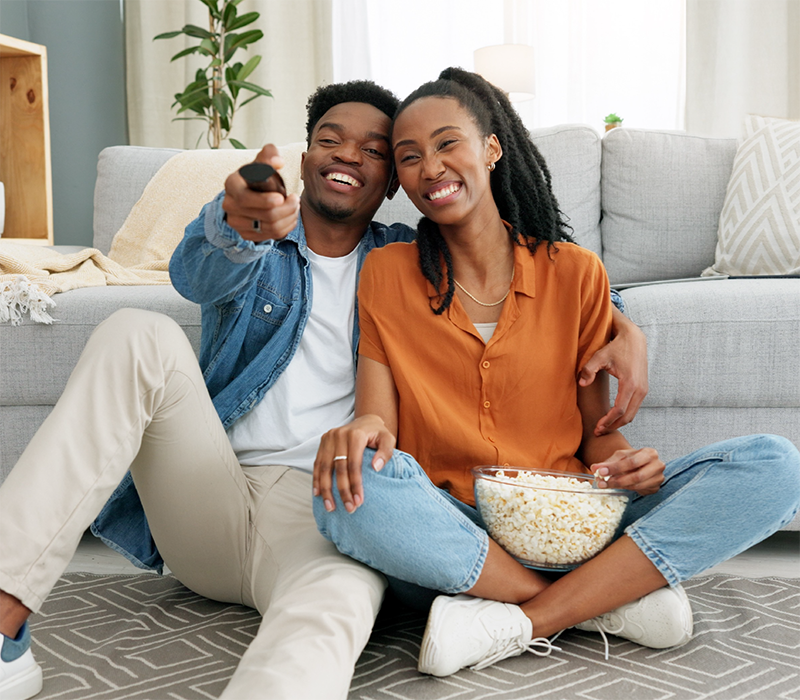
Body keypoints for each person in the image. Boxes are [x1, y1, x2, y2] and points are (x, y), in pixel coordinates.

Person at [0, 79, 647, 700]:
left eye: (374, 151)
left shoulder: (404, 261)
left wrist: (621, 321)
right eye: (332, 140)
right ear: (307, 154)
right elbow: (195, 271)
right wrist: (236, 221)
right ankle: (3, 615)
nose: (350, 156)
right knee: (137, 333)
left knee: (332, 614)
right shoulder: (260, 243)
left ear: (393, 180)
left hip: (333, 507)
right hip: (209, 491)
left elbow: (528, 280)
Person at [312, 67, 800, 678]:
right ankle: (605, 602)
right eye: (409, 157)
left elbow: (599, 436)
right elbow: (376, 417)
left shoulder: (576, 273)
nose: (430, 167)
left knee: (774, 463)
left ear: (490, 148)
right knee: (346, 490)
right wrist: (361, 435)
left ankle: (526, 619)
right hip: (457, 533)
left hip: (578, 523)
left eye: (446, 143)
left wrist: (627, 463)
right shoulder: (386, 273)